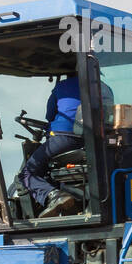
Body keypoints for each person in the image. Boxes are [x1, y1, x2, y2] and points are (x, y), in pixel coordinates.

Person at [18, 74, 83, 217]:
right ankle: (72, 203)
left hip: (63, 137)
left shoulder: (61, 86)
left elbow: (49, 115)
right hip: (90, 140)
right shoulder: (103, 88)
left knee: (26, 173)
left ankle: (54, 195)